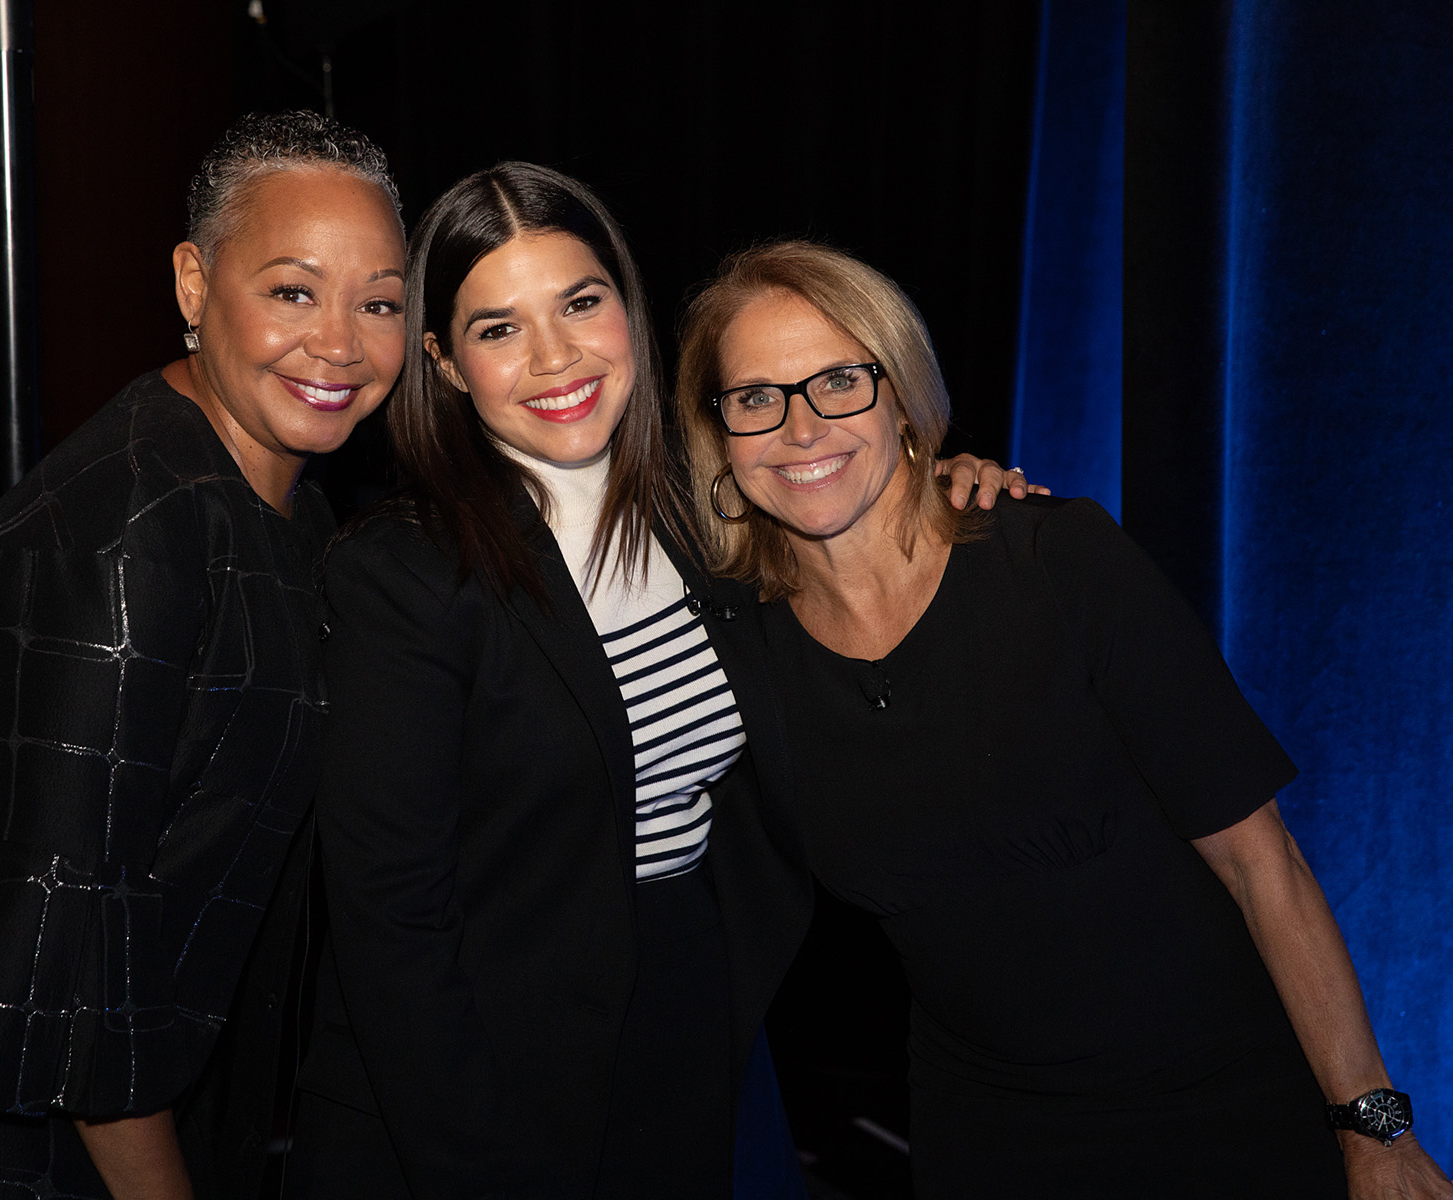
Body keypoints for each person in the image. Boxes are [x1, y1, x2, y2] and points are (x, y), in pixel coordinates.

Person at [286, 164, 1020, 1199]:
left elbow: (846, 522)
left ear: (628, 307)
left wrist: (936, 487)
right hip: (475, 1077)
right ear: (445, 364)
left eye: (581, 304)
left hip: (691, 1018)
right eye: (499, 329)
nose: (555, 357)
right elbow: (392, 926)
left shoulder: (713, 518)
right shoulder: (402, 577)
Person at [671, 240, 1453, 1199]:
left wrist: (1374, 1131)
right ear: (719, 433)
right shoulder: (730, 650)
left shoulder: (1057, 563)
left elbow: (1264, 865)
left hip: (1224, 1112)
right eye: (757, 397)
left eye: (840, 381)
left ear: (905, 398)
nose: (800, 427)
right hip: (989, 1143)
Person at [0, 109, 406, 1200]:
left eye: (379, 301)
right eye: (293, 290)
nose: (339, 342)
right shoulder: (134, 526)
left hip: (113, 1087)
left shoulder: (285, 502)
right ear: (196, 286)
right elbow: (70, 927)